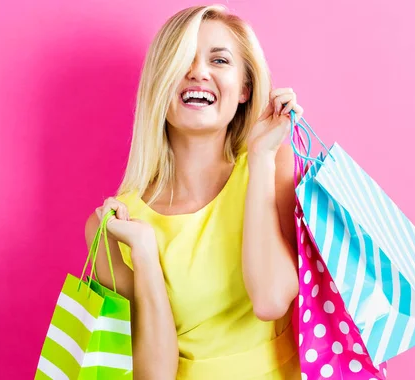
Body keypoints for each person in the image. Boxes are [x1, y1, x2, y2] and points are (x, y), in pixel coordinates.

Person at [85, 4, 304, 379]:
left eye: (219, 60)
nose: (198, 71)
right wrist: (145, 254)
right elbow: (153, 376)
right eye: (181, 59)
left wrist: (262, 158)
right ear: (159, 83)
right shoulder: (113, 225)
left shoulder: (271, 164)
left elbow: (270, 300)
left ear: (244, 90)